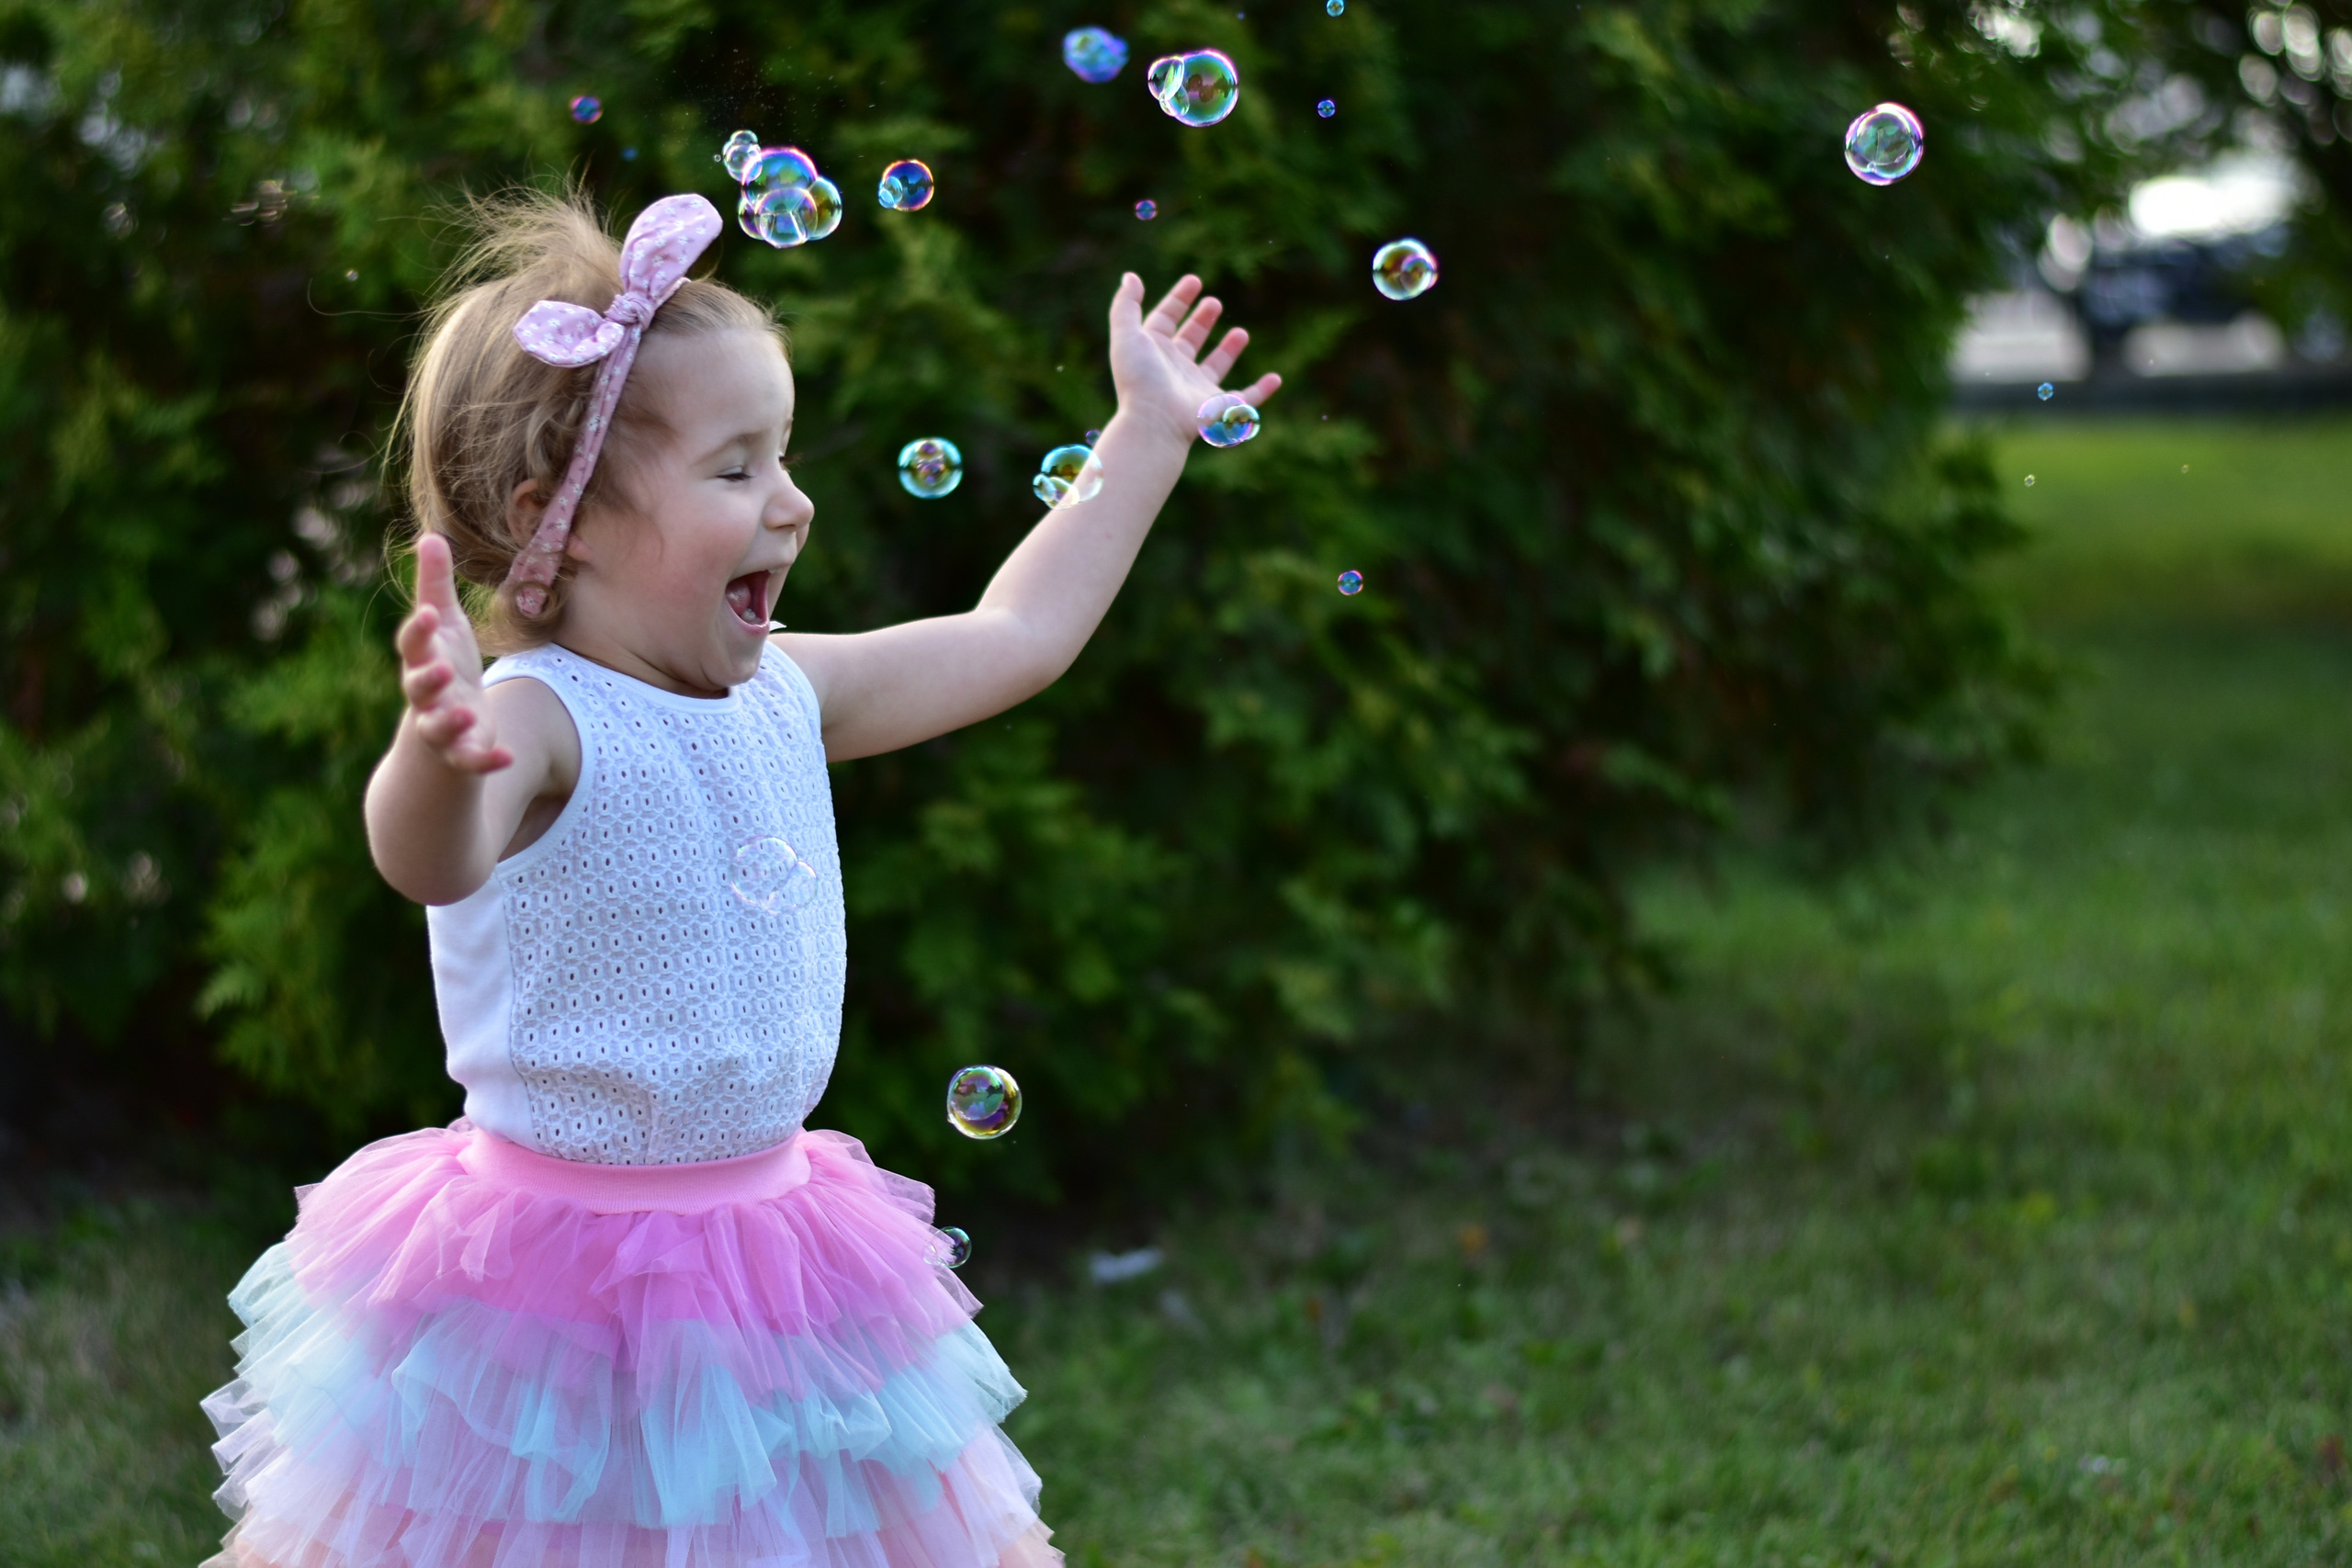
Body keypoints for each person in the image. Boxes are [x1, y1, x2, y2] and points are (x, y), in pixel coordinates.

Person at [199, 187, 1280, 1568]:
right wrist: (433, 749)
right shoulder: (538, 720)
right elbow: (429, 856)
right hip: (546, 1296)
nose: (794, 501)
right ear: (564, 519)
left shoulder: (781, 691)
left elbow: (1017, 636)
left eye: (784, 457)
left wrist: (1144, 437)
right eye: (737, 470)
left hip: (778, 1257)